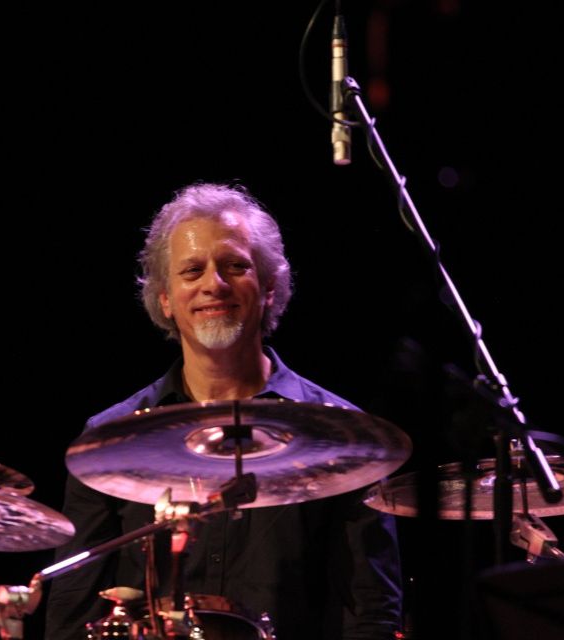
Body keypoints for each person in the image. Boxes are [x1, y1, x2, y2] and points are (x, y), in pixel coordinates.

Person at [45, 182, 403, 639]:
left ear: (270, 287)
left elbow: (371, 615)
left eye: (235, 266)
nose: (214, 284)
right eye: (192, 271)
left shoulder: (347, 438)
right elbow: (71, 614)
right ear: (165, 300)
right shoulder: (109, 437)